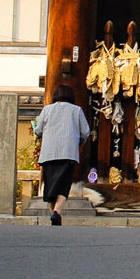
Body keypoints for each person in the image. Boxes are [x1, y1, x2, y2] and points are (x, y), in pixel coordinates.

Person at [31, 85, 93, 226]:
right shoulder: (76, 110)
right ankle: (56, 212)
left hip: (49, 153)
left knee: (51, 184)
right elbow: (85, 131)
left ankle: (55, 212)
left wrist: (40, 133)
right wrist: (79, 141)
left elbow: (38, 129)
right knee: (63, 184)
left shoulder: (47, 110)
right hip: (68, 153)